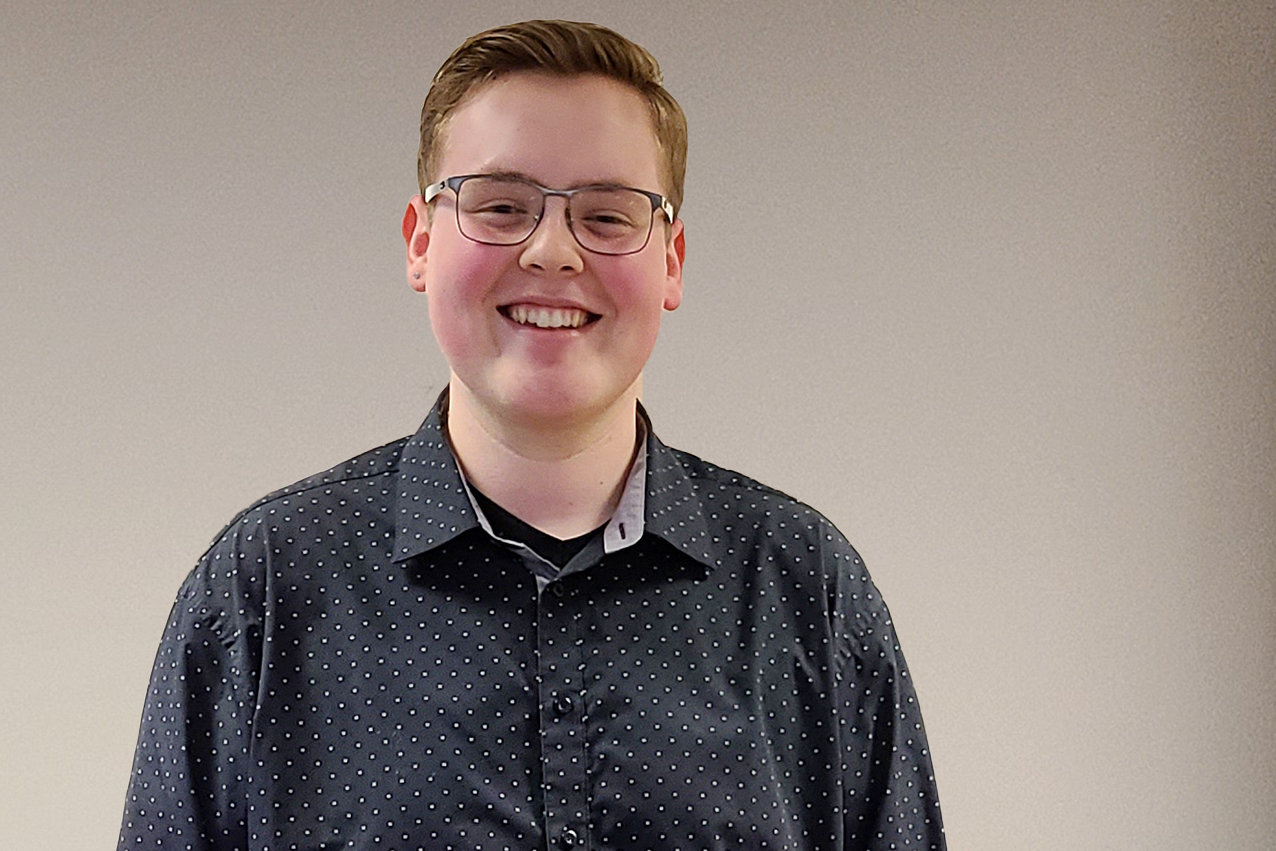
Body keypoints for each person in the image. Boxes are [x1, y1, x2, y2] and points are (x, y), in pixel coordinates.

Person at [118, 19, 945, 851]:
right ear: (420, 242)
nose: (552, 251)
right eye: (501, 206)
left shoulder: (807, 593)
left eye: (607, 215)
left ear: (671, 261)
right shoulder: (264, 592)